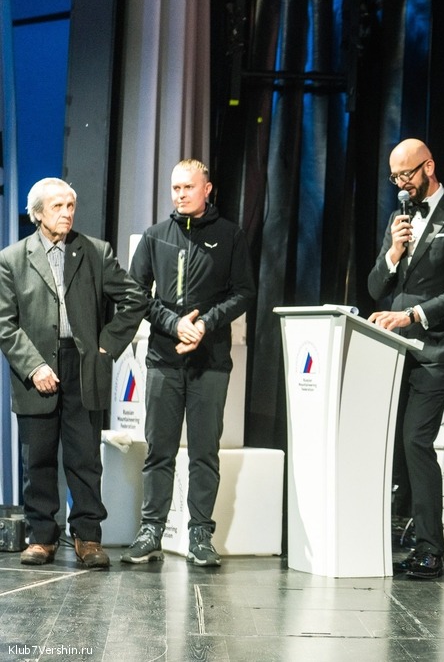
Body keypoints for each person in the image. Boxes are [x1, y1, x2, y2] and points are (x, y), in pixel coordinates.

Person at [0, 178, 146, 568]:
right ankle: (41, 537)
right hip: (37, 369)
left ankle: (88, 537)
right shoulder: (12, 259)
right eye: (58, 207)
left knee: (85, 459)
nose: (67, 213)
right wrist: (34, 367)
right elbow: (4, 323)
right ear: (37, 214)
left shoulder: (95, 251)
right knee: (38, 459)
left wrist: (107, 344)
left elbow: (135, 298)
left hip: (83, 366)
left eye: (71, 206)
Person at [121, 159, 255, 567]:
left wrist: (205, 324)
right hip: (163, 359)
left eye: (188, 187)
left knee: (204, 453)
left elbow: (244, 292)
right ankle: (151, 531)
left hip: (209, 362)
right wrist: (174, 324)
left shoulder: (230, 235)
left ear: (207, 189)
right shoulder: (154, 236)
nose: (180, 195)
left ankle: (200, 535)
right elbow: (136, 294)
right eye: (175, 188)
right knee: (159, 451)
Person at [368, 138, 444, 579]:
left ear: (429, 167)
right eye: (394, 177)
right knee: (396, 444)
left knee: (417, 440)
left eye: (407, 174)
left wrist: (413, 314)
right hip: (397, 349)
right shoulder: (398, 221)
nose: (401, 184)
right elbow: (376, 287)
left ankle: (431, 550)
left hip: (438, 349)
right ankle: (402, 534)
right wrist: (393, 254)